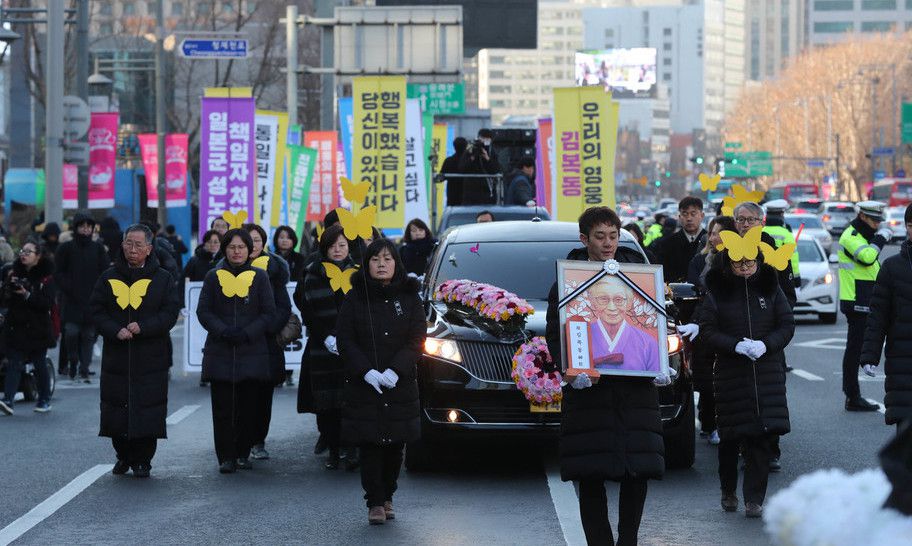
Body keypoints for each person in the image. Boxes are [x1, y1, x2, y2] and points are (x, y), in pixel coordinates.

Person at [544, 206, 664, 546]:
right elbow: (557, 334)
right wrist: (571, 372)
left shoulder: (638, 274)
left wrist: (659, 364)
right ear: (584, 239)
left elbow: (656, 324)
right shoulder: (568, 280)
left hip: (636, 394)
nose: (608, 243)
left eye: (613, 235)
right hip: (590, 394)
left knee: (637, 472)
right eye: (600, 236)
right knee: (590, 474)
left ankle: (628, 540)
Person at [698, 244, 794, 518]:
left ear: (758, 262)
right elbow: (707, 330)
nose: (744, 268)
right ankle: (728, 490)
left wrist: (767, 345)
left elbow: (787, 324)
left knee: (761, 437)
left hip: (767, 373)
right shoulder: (718, 291)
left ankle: (754, 499)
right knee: (730, 437)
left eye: (749, 263)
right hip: (731, 373)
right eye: (738, 263)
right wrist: (734, 345)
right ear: (727, 264)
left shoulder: (770, 287)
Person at [337, 239, 425, 525]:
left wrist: (396, 370)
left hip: (400, 383)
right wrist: (366, 371)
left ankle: (388, 495)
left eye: (387, 259)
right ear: (367, 265)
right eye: (375, 260)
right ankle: (374, 501)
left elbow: (417, 339)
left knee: (395, 445)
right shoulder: (354, 297)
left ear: (396, 263)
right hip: (365, 384)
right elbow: (346, 340)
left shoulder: (410, 297)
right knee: (370, 444)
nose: (382, 264)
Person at [90, 224, 179, 477]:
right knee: (116, 407)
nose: (132, 249)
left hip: (150, 354)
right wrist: (113, 329)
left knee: (148, 407)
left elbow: (170, 313)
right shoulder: (108, 277)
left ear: (149, 248)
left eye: (138, 245)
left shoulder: (163, 278)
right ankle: (123, 455)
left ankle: (143, 459)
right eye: (128, 243)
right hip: (117, 355)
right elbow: (96, 310)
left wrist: (144, 326)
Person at [197, 229, 276, 473]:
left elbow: (268, 313)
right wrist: (223, 331)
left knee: (248, 406)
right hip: (220, 351)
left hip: (251, 351)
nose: (237, 251)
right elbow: (204, 311)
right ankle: (226, 457)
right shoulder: (213, 276)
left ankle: (242, 453)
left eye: (242, 247)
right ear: (225, 249)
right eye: (232, 247)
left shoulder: (260, 277)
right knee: (222, 409)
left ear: (249, 250)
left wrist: (247, 333)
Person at [295, 225, 358, 469]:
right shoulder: (313, 273)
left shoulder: (358, 273)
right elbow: (309, 312)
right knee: (328, 404)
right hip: (323, 347)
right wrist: (327, 338)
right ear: (324, 248)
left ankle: (352, 450)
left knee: (352, 402)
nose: (338, 250)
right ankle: (333, 450)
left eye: (342, 245)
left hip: (353, 347)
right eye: (332, 246)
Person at [686, 215, 737, 445]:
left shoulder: (740, 262)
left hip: (731, 329)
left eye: (718, 232)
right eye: (712, 232)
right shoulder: (701, 261)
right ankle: (710, 423)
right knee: (707, 382)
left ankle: (725, 425)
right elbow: (698, 294)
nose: (713, 237)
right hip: (704, 327)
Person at [860, 202, 912, 428]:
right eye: (911, 225)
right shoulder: (892, 267)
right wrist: (870, 355)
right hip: (902, 359)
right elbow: (878, 315)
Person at [245, 223, 292, 460]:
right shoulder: (224, 270)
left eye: (257, 240)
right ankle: (238, 444)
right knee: (239, 397)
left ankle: (258, 440)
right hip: (239, 342)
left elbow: (284, 307)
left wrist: (266, 328)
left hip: (266, 342)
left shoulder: (274, 269)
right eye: (248, 239)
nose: (252, 245)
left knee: (263, 397)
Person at [839, 201, 891, 412]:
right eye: (874, 220)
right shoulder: (850, 236)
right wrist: (881, 238)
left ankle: (853, 395)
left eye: (879, 221)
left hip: (865, 297)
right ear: (862, 216)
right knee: (855, 349)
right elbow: (868, 258)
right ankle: (852, 396)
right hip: (855, 299)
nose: (877, 225)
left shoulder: (862, 235)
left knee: (858, 347)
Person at [0, 241, 56, 415]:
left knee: (39, 364)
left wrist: (27, 294)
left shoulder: (46, 277)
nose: (23, 254)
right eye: (22, 251)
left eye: (28, 252)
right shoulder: (14, 273)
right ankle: (8, 400)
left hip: (38, 328)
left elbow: (46, 303)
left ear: (38, 256)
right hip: (16, 326)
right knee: (14, 363)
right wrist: (8, 289)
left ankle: (44, 399)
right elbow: (6, 300)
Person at [55, 212, 110, 383]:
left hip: (92, 300)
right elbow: (58, 272)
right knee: (71, 333)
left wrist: (101, 292)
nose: (85, 230)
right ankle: (73, 360)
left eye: (89, 227)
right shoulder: (66, 248)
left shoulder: (98, 248)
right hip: (71, 300)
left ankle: (85, 368)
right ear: (76, 228)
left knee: (89, 336)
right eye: (82, 226)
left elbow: (106, 271)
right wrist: (68, 287)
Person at [586, 279, 660, 372]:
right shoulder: (581, 336)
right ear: (593, 302)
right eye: (603, 299)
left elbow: (654, 380)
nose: (611, 307)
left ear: (628, 302)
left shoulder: (647, 343)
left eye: (619, 299)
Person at [651, 196, 707, 283]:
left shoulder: (709, 241)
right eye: (685, 214)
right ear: (679, 217)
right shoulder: (667, 243)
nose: (689, 218)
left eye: (693, 214)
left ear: (702, 215)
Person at [458, 128, 501, 205]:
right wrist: (472, 157)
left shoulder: (491, 151)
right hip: (471, 190)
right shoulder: (470, 149)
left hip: (487, 190)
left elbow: (496, 170)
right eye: (483, 138)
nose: (485, 141)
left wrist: (487, 158)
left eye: (487, 139)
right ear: (478, 138)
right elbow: (462, 168)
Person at [762, 200, 800, 287]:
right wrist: (796, 277)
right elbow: (792, 258)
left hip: (762, 275)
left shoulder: (760, 231)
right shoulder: (786, 234)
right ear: (782, 215)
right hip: (782, 276)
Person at [441, 137, 468, 207]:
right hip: (467, 193)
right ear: (466, 146)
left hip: (452, 194)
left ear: (454, 147)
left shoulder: (448, 161)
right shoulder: (469, 161)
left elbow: (441, 178)